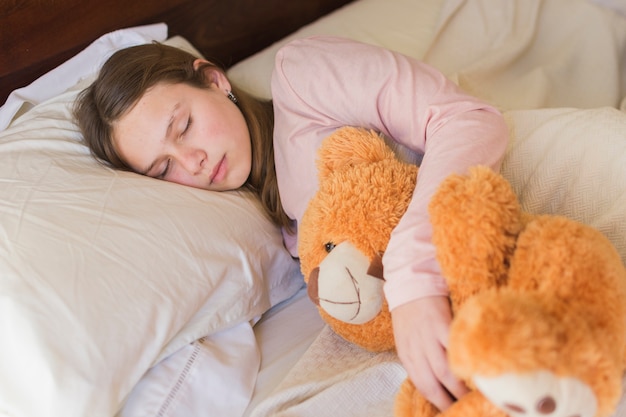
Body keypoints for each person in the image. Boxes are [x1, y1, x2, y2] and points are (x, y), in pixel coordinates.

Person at [74, 36, 509, 411]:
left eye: (184, 126)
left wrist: (414, 277)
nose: (193, 162)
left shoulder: (301, 77)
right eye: (163, 169)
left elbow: (468, 120)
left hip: (514, 183)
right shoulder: (282, 230)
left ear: (213, 80)